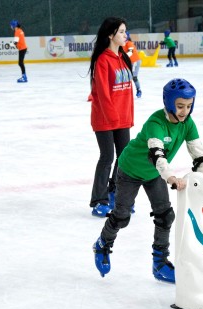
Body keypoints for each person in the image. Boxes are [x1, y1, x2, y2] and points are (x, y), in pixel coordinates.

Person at [92, 78, 203, 283]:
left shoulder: (188, 123)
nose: (185, 111)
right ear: (168, 103)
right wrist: (171, 177)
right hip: (130, 170)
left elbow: (197, 149)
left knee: (165, 216)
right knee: (122, 216)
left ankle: (160, 263)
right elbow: (157, 155)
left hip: (153, 175)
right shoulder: (156, 123)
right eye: (180, 106)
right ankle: (102, 244)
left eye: (188, 105)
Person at [88, 17, 134, 218]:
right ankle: (99, 200)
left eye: (125, 31)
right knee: (107, 157)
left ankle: (115, 193)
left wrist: (128, 115)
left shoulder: (123, 57)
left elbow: (127, 91)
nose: (126, 35)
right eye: (122, 32)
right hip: (105, 119)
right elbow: (104, 94)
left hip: (122, 118)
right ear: (110, 35)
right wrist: (114, 117)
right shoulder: (103, 60)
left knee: (124, 158)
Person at [123, 32, 142, 98]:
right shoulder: (122, 44)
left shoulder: (129, 43)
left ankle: (139, 90)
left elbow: (130, 52)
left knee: (134, 77)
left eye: (125, 36)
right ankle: (126, 92)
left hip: (135, 61)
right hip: (129, 62)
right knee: (126, 77)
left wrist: (123, 58)